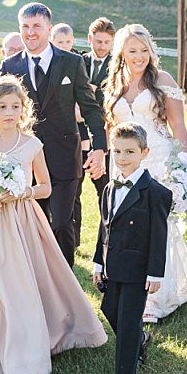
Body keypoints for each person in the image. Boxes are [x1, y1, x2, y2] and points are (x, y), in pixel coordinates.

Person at [0, 75, 106, 374]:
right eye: (2, 106)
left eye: (16, 106)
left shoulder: (31, 144)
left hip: (22, 221)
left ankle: (28, 353)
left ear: (24, 109)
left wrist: (22, 192)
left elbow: (45, 187)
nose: (9, 112)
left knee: (22, 283)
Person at [103, 24, 187, 323]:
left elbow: (179, 126)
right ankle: (127, 281)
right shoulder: (115, 83)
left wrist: (181, 163)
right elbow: (111, 127)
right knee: (126, 224)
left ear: (151, 51)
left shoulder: (163, 80)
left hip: (158, 159)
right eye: (132, 51)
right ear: (122, 52)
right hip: (123, 161)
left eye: (144, 50)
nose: (139, 56)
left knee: (155, 224)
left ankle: (156, 295)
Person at [0, 2, 107, 269]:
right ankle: (34, 284)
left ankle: (65, 284)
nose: (30, 32)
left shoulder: (71, 62)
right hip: (24, 163)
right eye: (25, 26)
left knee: (60, 223)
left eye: (36, 26)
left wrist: (99, 148)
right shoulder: (9, 66)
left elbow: (91, 108)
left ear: (48, 27)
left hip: (64, 158)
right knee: (31, 226)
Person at [92, 122, 171, 374]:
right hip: (113, 266)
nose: (123, 158)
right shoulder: (109, 189)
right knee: (109, 308)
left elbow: (159, 236)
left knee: (127, 322)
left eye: (129, 152)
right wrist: (98, 264)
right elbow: (104, 228)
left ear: (144, 152)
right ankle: (140, 341)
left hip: (138, 270)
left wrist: (155, 274)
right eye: (117, 152)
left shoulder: (157, 193)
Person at [73, 17, 115, 248]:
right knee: (74, 188)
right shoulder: (77, 61)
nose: (101, 47)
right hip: (76, 134)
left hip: (103, 132)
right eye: (98, 41)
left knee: (105, 188)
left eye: (106, 42)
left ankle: (108, 238)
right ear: (90, 39)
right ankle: (74, 239)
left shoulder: (117, 66)